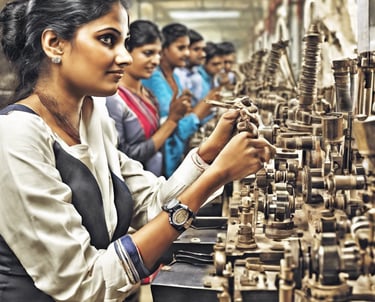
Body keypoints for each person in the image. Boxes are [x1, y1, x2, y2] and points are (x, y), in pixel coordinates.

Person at [0, 1, 274, 301]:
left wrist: (211, 152)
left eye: (126, 42)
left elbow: (153, 206)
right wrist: (217, 175)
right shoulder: (16, 137)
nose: (125, 57)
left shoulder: (94, 120)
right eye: (108, 39)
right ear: (55, 44)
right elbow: (83, 282)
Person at [105, 20, 189, 176]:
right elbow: (125, 157)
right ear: (126, 52)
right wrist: (171, 121)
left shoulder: (148, 94)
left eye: (158, 53)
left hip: (156, 183)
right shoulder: (113, 99)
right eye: (148, 53)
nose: (156, 61)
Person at [142, 22, 215, 178]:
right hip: (161, 162)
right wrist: (198, 113)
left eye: (188, 48)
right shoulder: (154, 78)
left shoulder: (174, 76)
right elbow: (171, 124)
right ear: (165, 49)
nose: (187, 53)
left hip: (176, 155)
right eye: (181, 48)